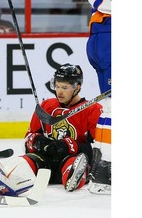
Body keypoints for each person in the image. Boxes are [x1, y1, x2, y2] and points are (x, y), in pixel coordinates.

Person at [19, 63, 103, 192]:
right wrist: (37, 141)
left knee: (74, 163)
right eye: (57, 86)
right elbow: (28, 139)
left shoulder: (92, 110)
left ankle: (74, 175)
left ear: (77, 87)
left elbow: (100, 150)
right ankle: (13, 174)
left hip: (70, 159)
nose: (59, 91)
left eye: (65, 87)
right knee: (24, 163)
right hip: (44, 160)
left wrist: (70, 146)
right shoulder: (46, 106)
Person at [86, 0, 111, 195]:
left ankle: (101, 170)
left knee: (111, 107)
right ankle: (106, 174)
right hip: (110, 34)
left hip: (99, 32)